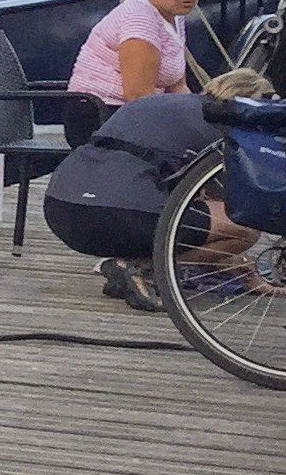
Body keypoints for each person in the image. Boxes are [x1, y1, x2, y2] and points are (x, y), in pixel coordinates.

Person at [38, 66, 272, 309]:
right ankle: (141, 267)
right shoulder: (219, 128)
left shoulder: (155, 104)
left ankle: (125, 268)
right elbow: (231, 212)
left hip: (60, 207)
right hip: (116, 214)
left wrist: (234, 262)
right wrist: (246, 267)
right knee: (244, 227)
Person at [61, 0, 212, 146]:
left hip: (130, 113)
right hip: (101, 116)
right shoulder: (140, 21)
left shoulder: (171, 14)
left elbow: (177, 85)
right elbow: (138, 97)